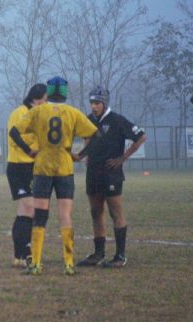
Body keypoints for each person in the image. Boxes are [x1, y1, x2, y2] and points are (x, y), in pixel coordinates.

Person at [16, 76, 98, 276]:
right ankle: (69, 264)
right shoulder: (72, 113)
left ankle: (35, 264)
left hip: (43, 168)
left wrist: (28, 150)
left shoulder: (38, 111)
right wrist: (80, 155)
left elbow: (14, 131)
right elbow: (95, 135)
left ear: (49, 91)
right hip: (64, 168)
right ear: (65, 93)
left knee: (41, 216)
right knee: (65, 215)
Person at [75, 86, 147, 268]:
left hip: (111, 173)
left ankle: (120, 256)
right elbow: (88, 143)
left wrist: (122, 158)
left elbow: (141, 137)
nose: (93, 106)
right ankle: (98, 254)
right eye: (91, 102)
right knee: (96, 212)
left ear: (104, 102)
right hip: (93, 173)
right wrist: (81, 156)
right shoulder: (89, 119)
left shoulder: (117, 120)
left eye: (97, 103)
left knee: (115, 213)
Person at [6, 83, 47, 268]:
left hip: (32, 168)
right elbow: (13, 135)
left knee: (25, 211)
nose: (46, 104)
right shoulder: (20, 112)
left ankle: (20, 256)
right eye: (44, 100)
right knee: (29, 208)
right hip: (17, 167)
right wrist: (28, 150)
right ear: (35, 98)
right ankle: (24, 253)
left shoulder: (40, 115)